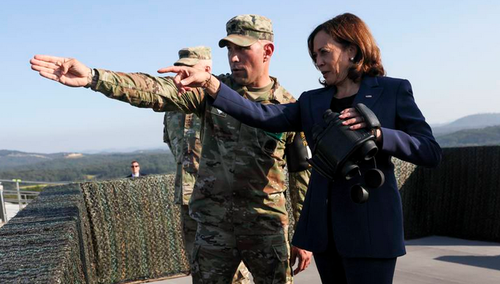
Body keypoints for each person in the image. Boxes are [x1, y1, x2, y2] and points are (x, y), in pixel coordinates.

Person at [161, 13, 442, 284]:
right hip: (325, 235)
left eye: (324, 53)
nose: (318, 62)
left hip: (371, 229)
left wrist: (380, 134)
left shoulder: (392, 91)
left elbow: (429, 151)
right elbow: (260, 115)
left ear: (352, 51)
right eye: (314, 56)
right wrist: (211, 84)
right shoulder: (313, 101)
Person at [30, 14, 312, 284]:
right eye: (230, 50)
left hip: (266, 229)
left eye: (243, 49)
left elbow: (301, 175)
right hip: (214, 229)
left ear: (267, 51)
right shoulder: (213, 91)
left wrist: (305, 235)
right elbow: (154, 90)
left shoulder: (288, 108)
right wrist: (93, 77)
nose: (234, 58)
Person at [163, 46, 250, 283]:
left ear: (207, 70)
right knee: (199, 266)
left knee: (234, 271)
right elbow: (176, 151)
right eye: (180, 70)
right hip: (188, 200)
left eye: (189, 69)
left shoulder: (225, 103)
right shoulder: (173, 109)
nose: (183, 75)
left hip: (223, 202)